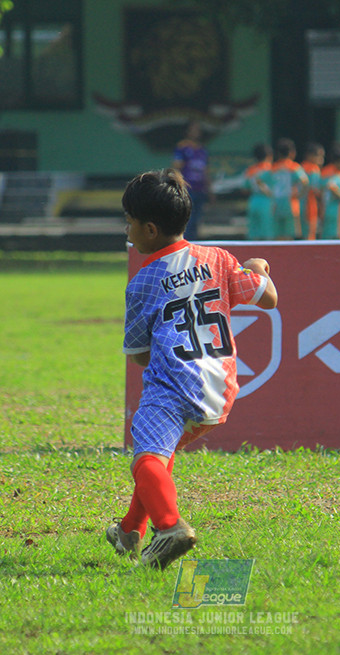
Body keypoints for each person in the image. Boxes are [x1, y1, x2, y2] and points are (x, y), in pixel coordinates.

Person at [108, 168, 278, 569]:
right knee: (159, 454)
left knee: (145, 460)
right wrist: (258, 268)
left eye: (129, 221)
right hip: (219, 392)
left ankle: (170, 527)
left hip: (172, 388)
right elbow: (268, 298)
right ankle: (130, 530)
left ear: (150, 229)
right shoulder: (218, 259)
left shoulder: (143, 281)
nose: (126, 229)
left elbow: (139, 355)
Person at [172, 120, 211, 241]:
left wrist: (209, 189)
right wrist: (178, 186)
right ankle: (185, 244)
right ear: (187, 131)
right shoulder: (182, 147)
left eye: (198, 130)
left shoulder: (202, 150)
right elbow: (177, 168)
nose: (196, 132)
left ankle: (193, 243)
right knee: (187, 219)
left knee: (196, 221)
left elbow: (205, 171)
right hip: (187, 189)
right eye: (194, 129)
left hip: (200, 189)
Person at [270, 138, 308, 240]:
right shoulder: (294, 167)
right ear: (292, 153)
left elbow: (263, 182)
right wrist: (300, 195)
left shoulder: (273, 168)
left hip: (276, 204)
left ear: (278, 153)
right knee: (290, 235)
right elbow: (305, 181)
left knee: (278, 235)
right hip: (290, 204)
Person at [244, 143, 274, 241]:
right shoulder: (271, 169)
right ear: (269, 156)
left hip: (253, 201)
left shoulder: (250, 170)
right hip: (268, 201)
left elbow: (245, 188)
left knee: (254, 232)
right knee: (268, 231)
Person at [320, 146, 340, 240]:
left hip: (328, 209)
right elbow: (331, 186)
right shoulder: (338, 175)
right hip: (338, 212)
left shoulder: (326, 172)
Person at [300, 143, 325, 240]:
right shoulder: (314, 169)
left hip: (299, 204)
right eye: (318, 155)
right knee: (311, 233)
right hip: (310, 203)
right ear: (309, 156)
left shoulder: (300, 167)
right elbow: (316, 190)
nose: (321, 159)